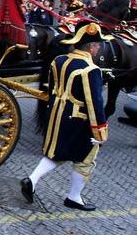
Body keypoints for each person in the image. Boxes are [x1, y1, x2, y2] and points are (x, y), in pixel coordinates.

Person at [21, 21, 111, 210]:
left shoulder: (59, 60)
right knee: (86, 158)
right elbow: (95, 103)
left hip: (57, 114)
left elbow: (52, 89)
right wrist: (100, 130)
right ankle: (74, 197)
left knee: (57, 153)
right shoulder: (91, 70)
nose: (98, 48)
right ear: (92, 47)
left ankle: (32, 179)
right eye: (97, 45)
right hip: (79, 120)